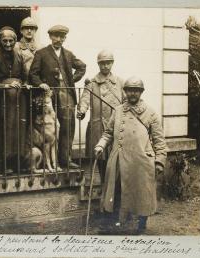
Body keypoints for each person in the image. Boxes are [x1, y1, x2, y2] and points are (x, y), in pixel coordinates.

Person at [94, 76, 167, 234]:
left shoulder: (150, 113)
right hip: (119, 159)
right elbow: (108, 133)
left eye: (136, 90)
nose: (132, 94)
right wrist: (100, 144)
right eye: (129, 90)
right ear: (125, 92)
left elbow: (160, 140)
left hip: (140, 161)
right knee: (115, 192)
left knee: (141, 194)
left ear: (141, 92)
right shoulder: (118, 110)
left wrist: (160, 161)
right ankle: (113, 224)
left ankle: (140, 225)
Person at [29, 25, 86, 169]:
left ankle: (65, 159)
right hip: (48, 95)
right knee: (48, 129)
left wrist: (71, 81)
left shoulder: (68, 54)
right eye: (56, 36)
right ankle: (45, 162)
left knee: (67, 126)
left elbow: (82, 67)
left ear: (65, 38)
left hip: (66, 93)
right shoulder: (41, 53)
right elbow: (32, 74)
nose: (59, 39)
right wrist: (40, 84)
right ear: (50, 37)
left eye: (62, 36)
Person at [77, 50, 124, 184]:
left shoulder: (120, 82)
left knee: (117, 161)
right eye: (102, 63)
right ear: (98, 64)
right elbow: (85, 99)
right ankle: (105, 192)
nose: (105, 66)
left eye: (108, 63)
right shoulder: (92, 83)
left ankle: (114, 195)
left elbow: (126, 103)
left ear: (112, 63)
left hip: (116, 128)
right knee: (102, 162)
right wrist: (81, 110)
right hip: (98, 128)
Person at [0, 26, 28, 173]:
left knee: (20, 130)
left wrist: (22, 85)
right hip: (2, 100)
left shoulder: (20, 56)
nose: (8, 44)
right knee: (5, 130)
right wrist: (7, 85)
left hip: (19, 99)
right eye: (5, 41)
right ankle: (5, 165)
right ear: (0, 41)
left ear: (15, 40)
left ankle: (19, 163)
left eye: (11, 40)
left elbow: (25, 77)